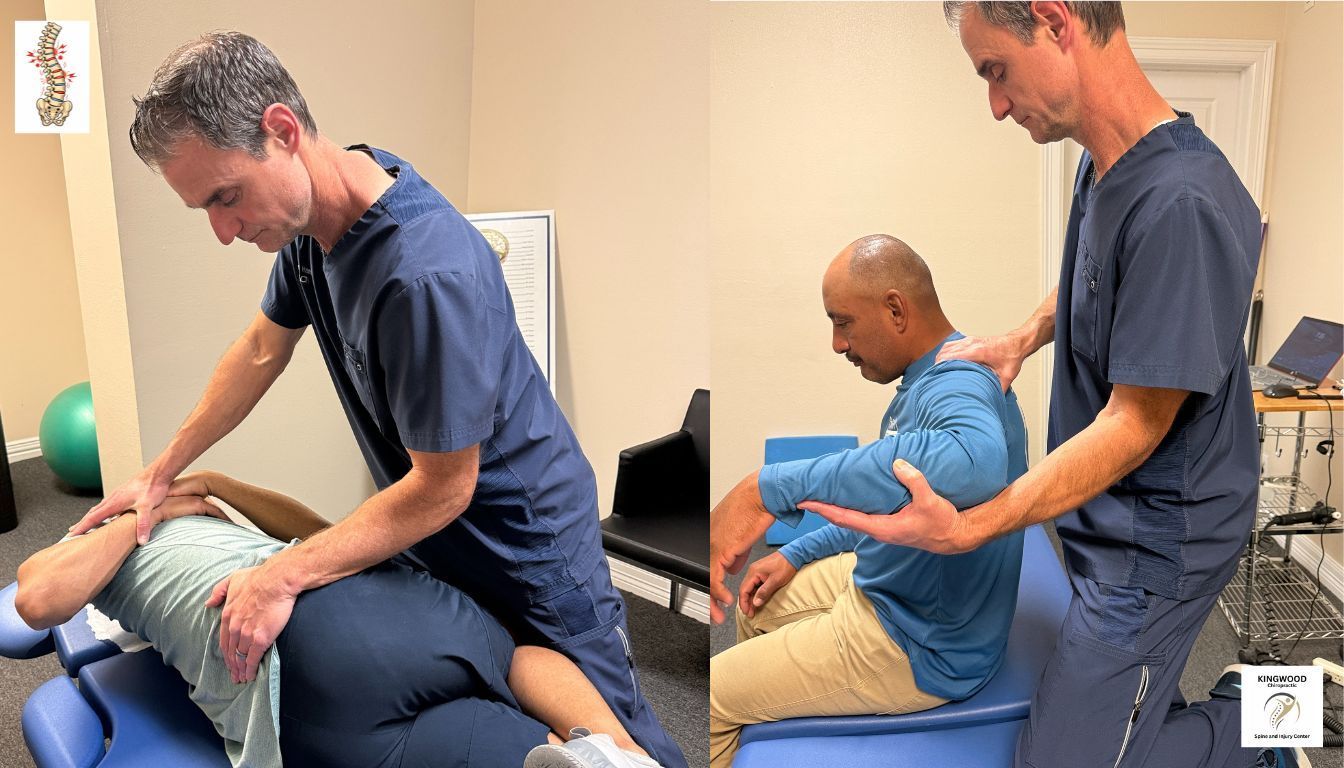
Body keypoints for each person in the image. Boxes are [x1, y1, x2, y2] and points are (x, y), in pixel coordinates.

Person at [68, 31, 683, 768]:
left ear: (283, 132)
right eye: (204, 209)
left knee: (626, 744)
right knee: (503, 714)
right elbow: (262, 349)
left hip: (531, 551)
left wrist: (280, 574)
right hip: (442, 539)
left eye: (226, 198)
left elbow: (442, 489)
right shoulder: (312, 229)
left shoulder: (424, 275)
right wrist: (160, 472)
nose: (224, 231)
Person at [801, 4, 1293, 767]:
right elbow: (1098, 283)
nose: (996, 104)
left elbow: (1135, 424)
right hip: (1106, 518)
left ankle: (1272, 719)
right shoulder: (1104, 163)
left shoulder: (1182, 204)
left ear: (1056, 21)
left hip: (1164, 543)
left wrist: (974, 526)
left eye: (996, 70)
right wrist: (1027, 335)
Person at [19, 470, 662, 768]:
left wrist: (213, 485)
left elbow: (322, 535)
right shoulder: (94, 544)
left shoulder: (203, 526)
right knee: (508, 659)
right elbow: (36, 594)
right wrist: (140, 518)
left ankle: (608, 755)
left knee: (462, 726)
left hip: (311, 653)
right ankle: (618, 753)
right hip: (388, 614)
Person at [707, 235, 1029, 768]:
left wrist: (766, 487)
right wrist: (796, 552)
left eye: (843, 322)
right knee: (755, 608)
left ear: (895, 309)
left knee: (715, 693)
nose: (837, 343)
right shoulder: (929, 375)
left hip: (920, 644)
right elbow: (887, 505)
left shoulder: (958, 383)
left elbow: (978, 460)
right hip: (890, 587)